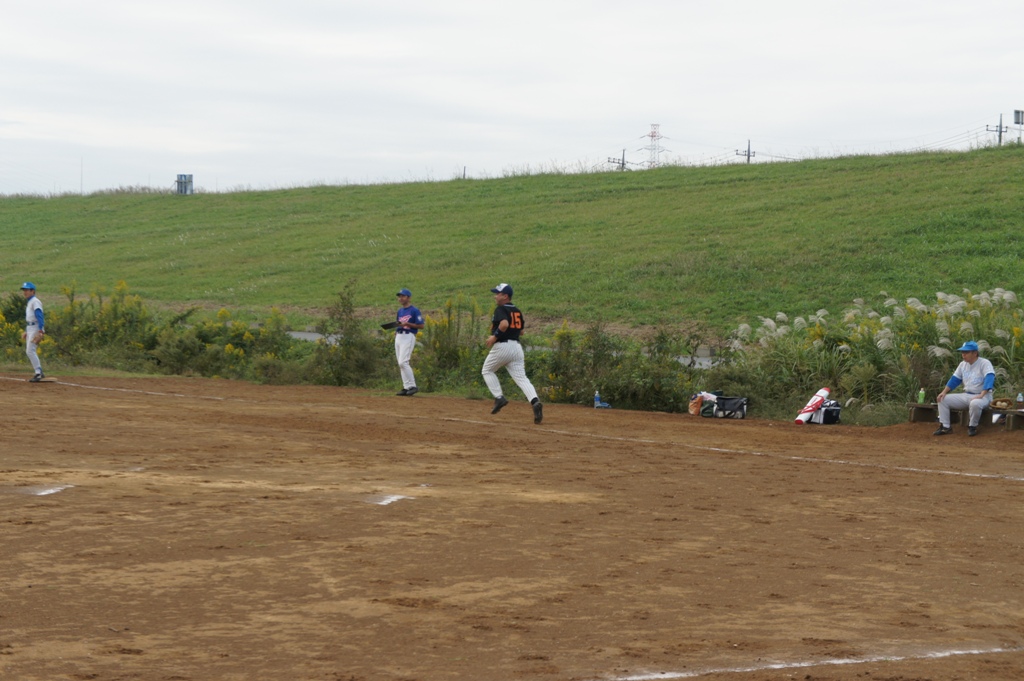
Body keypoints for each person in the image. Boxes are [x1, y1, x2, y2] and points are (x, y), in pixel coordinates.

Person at [481, 283, 543, 424]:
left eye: (498, 293)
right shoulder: (517, 311)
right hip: (516, 347)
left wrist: (494, 337)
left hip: (503, 346)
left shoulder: (501, 309)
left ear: (505, 296)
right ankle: (535, 401)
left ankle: (499, 397)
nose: (495, 296)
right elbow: (521, 331)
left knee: (487, 370)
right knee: (522, 379)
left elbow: (504, 325)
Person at [934, 340, 995, 437]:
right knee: (942, 399)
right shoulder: (963, 364)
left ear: (975, 353)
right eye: (962, 352)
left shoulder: (984, 363)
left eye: (966, 352)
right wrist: (944, 392)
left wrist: (982, 395)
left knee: (975, 403)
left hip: (984, 396)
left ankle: (972, 427)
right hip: (967, 395)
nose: (963, 354)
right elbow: (955, 379)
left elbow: (989, 378)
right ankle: (945, 427)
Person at [394, 288, 424, 396]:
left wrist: (407, 324)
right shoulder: (400, 311)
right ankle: (406, 387)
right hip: (399, 336)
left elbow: (421, 325)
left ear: (409, 298)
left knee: (403, 362)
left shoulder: (414, 310)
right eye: (399, 296)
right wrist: (396, 330)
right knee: (400, 363)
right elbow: (399, 323)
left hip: (408, 336)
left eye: (403, 296)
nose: (400, 298)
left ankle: (413, 385)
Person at [20, 282, 45, 382]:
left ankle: (38, 373)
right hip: (30, 327)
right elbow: (30, 318)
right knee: (29, 351)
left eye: (27, 290)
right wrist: (26, 331)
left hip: (35, 328)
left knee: (30, 351)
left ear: (33, 291)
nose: (25, 292)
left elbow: (39, 316)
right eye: (24, 290)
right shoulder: (30, 302)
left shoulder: (35, 301)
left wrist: (40, 331)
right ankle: (38, 372)